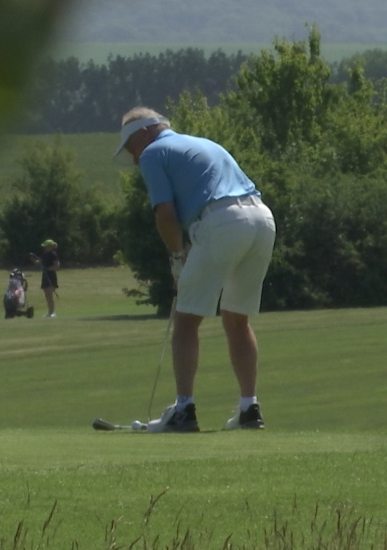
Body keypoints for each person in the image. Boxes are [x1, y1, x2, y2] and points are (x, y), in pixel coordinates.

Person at [113, 106, 276, 432]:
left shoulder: (153, 153)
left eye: (132, 148)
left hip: (222, 221)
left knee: (186, 320)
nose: (134, 159)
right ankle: (249, 408)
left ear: (145, 132)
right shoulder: (204, 143)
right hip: (262, 221)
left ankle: (184, 411)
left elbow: (166, 216)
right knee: (236, 318)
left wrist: (177, 258)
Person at [30, 239, 60, 318]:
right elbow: (39, 262)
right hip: (45, 275)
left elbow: (56, 266)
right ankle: (49, 311)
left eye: (46, 246)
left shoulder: (53, 254)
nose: (45, 248)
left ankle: (52, 312)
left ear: (50, 247)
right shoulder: (44, 254)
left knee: (50, 294)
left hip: (51, 276)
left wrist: (47, 268)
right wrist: (34, 260)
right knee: (46, 294)